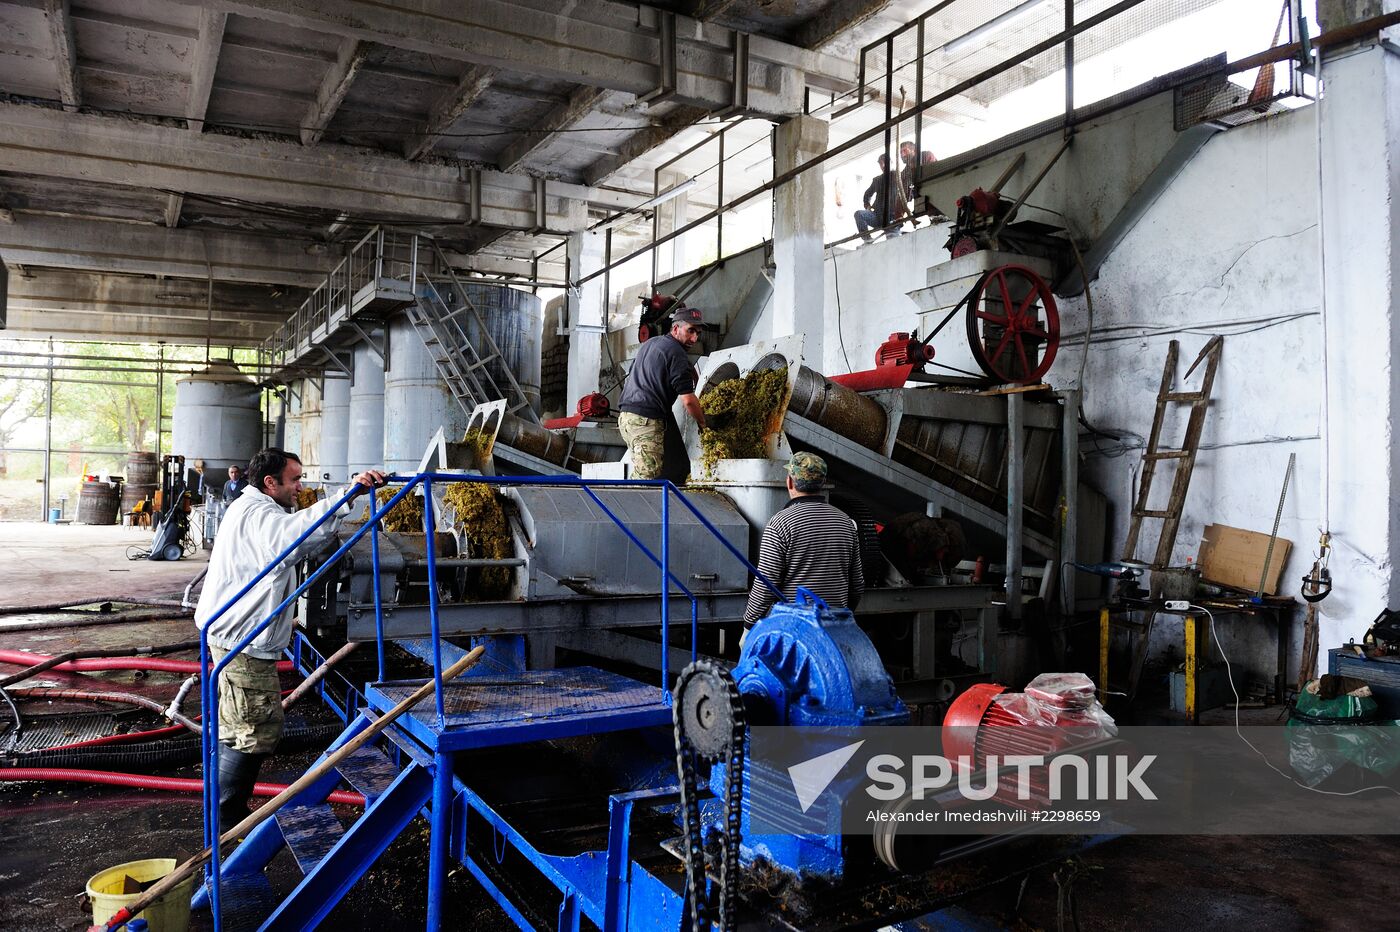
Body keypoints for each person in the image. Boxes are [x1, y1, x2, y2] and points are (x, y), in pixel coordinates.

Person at [195, 448, 386, 828]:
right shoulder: (259, 514)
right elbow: (290, 541)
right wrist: (347, 498)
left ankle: (223, 812)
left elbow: (298, 538)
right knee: (256, 728)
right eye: (295, 479)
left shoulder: (254, 509)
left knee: (239, 723)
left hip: (233, 633)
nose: (301, 486)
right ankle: (225, 819)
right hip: (243, 639)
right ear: (270, 482)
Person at [743, 452, 865, 632]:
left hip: (795, 629)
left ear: (790, 482)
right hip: (835, 626)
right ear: (822, 483)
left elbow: (766, 585)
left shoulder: (780, 524)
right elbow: (857, 584)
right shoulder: (845, 522)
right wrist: (843, 614)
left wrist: (749, 625)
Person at [618, 306, 708, 482]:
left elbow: (635, 373)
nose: (695, 338)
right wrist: (703, 423)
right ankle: (628, 507)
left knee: (666, 468)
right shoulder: (677, 353)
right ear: (676, 328)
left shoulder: (651, 344)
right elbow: (689, 401)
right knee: (647, 475)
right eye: (690, 331)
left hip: (626, 418)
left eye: (698, 333)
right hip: (646, 420)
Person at [854, 154, 908, 243]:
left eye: (885, 163)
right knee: (859, 214)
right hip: (877, 216)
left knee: (893, 242)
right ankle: (867, 239)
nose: (882, 166)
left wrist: (902, 214)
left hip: (893, 217)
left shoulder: (899, 176)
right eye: (880, 164)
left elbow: (908, 192)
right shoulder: (877, 180)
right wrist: (867, 206)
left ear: (891, 163)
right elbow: (867, 194)